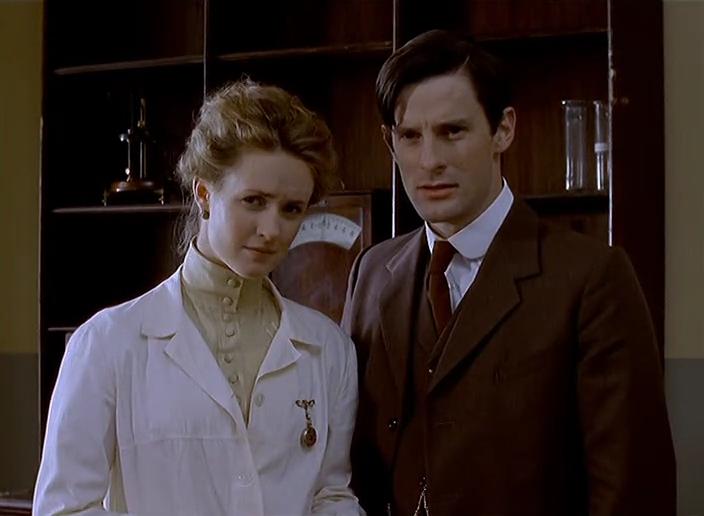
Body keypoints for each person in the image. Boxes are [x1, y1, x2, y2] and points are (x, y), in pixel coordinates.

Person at [342, 30, 675, 516]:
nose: (430, 161)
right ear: (389, 142)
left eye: (453, 131)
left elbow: (631, 489)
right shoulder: (371, 272)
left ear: (503, 130)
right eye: (410, 136)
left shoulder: (591, 278)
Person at [34, 79, 362, 516]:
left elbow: (331, 494)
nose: (272, 230)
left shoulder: (329, 349)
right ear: (204, 194)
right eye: (254, 201)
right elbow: (64, 508)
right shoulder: (108, 342)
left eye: (291, 209)